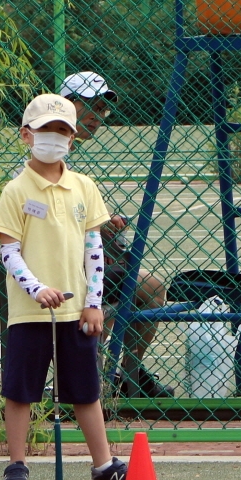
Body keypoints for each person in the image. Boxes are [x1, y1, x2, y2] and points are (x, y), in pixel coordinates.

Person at [0, 94, 129, 480]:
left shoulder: (84, 187)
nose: (54, 137)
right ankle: (16, 464)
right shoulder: (15, 191)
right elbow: (9, 251)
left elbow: (94, 250)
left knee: (85, 388)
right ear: (26, 135)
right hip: (30, 311)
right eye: (45, 130)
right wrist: (36, 289)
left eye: (62, 131)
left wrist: (93, 303)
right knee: (20, 390)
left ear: (72, 138)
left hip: (75, 311)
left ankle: (102, 463)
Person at [58, 71, 173, 399]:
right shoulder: (46, 151)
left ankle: (127, 376)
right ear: (67, 104)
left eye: (102, 110)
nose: (97, 117)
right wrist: (94, 226)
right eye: (90, 106)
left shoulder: (69, 155)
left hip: (86, 261)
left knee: (147, 287)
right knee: (121, 295)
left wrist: (103, 224)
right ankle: (94, 378)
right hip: (57, 268)